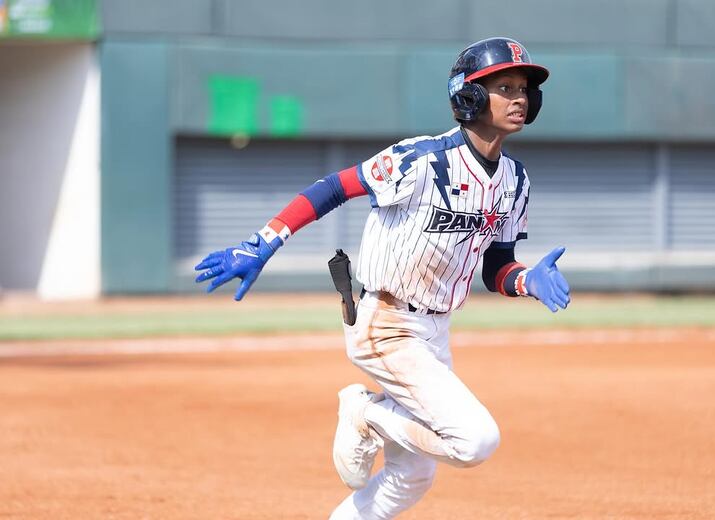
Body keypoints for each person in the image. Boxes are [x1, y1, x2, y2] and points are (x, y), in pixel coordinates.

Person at [195, 36, 571, 519]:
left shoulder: (515, 181)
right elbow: (334, 187)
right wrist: (263, 241)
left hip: (434, 333)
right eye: (504, 86)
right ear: (469, 96)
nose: (519, 97)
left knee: (414, 474)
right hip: (385, 324)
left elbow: (497, 266)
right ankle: (364, 412)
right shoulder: (423, 160)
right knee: (474, 440)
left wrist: (527, 281)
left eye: (524, 88)